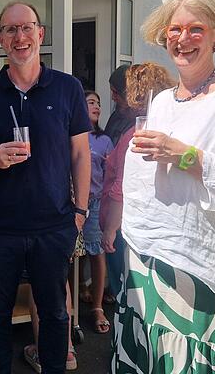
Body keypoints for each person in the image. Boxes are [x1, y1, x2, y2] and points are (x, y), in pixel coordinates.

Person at [105, 0, 215, 373]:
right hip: (149, 252)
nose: (182, 39)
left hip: (203, 260)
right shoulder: (162, 101)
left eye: (195, 29)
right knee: (150, 350)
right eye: (174, 29)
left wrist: (184, 155)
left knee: (194, 359)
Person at [0, 1, 91, 374]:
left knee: (53, 313)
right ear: (1, 38)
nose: (20, 37)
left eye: (27, 28)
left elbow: (81, 154)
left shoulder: (67, 88)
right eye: (11, 30)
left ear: (40, 34)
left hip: (54, 225)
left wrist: (80, 212)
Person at [99, 63, 174, 306]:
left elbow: (122, 186)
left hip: (128, 226)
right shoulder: (168, 128)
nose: (116, 97)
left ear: (137, 93)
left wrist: (110, 228)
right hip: (156, 224)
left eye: (120, 91)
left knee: (129, 295)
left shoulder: (139, 132)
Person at [76, 91, 114, 334]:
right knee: (72, 255)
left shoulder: (105, 141)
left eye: (98, 103)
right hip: (70, 203)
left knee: (96, 253)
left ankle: (97, 307)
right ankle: (78, 292)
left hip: (95, 203)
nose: (97, 106)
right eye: (91, 102)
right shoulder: (69, 135)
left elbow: (110, 175)